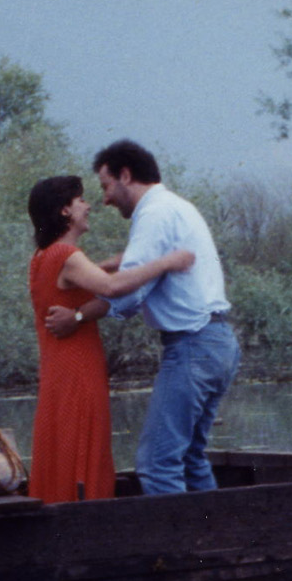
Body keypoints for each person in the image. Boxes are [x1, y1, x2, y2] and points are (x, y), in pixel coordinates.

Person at [44, 140, 238, 495]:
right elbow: (135, 267)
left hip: (193, 344)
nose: (103, 199)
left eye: (105, 187)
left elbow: (128, 293)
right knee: (191, 458)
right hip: (218, 343)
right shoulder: (174, 206)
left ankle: (178, 550)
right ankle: (214, 540)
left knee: (156, 464)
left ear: (126, 175)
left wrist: (76, 315)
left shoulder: (153, 213)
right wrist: (99, 269)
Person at [26, 175, 193, 503]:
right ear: (64, 212)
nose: (88, 206)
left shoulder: (43, 257)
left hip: (58, 371)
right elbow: (113, 289)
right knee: (85, 443)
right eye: (80, 201)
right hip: (78, 370)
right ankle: (87, 516)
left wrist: (118, 263)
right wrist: (167, 262)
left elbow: (92, 290)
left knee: (65, 446)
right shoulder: (66, 255)